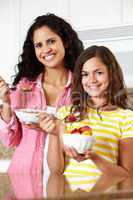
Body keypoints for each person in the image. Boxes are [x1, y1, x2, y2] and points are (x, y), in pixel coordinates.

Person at [0, 13, 84, 173]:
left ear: (65, 42)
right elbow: (10, 141)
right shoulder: (24, 87)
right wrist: (6, 102)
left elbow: (87, 136)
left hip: (67, 178)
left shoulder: (82, 87)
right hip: (24, 175)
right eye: (38, 45)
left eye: (51, 41)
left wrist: (58, 129)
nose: (46, 49)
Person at [45, 45, 133, 180]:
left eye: (99, 72)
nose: (91, 80)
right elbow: (56, 171)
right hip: (70, 194)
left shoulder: (127, 118)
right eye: (85, 74)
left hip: (107, 193)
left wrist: (94, 157)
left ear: (112, 74)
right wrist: (54, 134)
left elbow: (127, 174)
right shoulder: (65, 113)